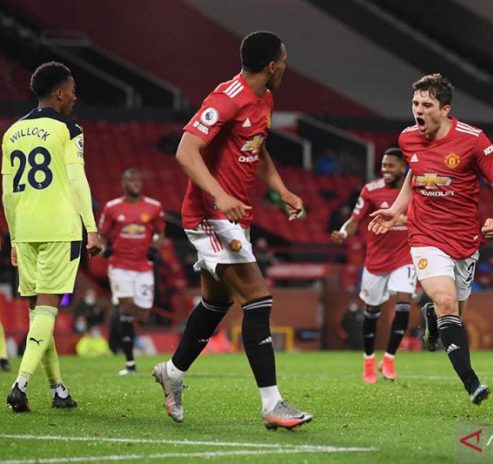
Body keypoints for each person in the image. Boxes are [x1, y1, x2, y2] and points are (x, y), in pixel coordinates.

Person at [151, 31, 312, 429]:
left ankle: (172, 373)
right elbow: (185, 151)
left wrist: (282, 190)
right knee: (258, 298)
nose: (286, 66)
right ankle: (273, 405)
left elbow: (257, 147)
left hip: (235, 215)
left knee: (216, 303)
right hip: (209, 214)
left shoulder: (265, 99)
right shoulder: (226, 97)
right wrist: (220, 195)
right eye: (285, 59)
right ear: (272, 64)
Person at [368, 74, 493, 405]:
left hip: (464, 239)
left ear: (445, 110)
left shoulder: (473, 140)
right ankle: (472, 382)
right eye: (415, 103)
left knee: (453, 312)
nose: (418, 110)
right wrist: (395, 209)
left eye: (427, 105)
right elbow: (413, 175)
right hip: (425, 234)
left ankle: (432, 322)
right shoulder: (407, 139)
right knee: (447, 301)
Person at [2, 61, 102, 412]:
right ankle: (21, 383)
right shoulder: (69, 129)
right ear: (59, 92)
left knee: (38, 315)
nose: (75, 96)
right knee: (46, 309)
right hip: (59, 228)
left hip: (26, 228)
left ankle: (58, 389)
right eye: (72, 89)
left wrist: (14, 239)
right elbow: (76, 180)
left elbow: (7, 193)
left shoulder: (11, 132)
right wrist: (91, 227)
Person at [331, 148, 416, 383]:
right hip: (377, 260)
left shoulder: (415, 191)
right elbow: (355, 220)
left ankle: (388, 359)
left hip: (405, 257)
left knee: (404, 302)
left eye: (391, 166)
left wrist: (402, 219)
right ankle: (369, 359)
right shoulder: (371, 190)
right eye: (384, 165)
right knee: (371, 310)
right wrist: (343, 232)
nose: (386, 170)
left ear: (403, 167)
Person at [99, 168, 165, 375]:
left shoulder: (153, 207)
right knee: (126, 306)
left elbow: (160, 231)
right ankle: (129, 363)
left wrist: (156, 248)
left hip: (144, 267)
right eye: (131, 180)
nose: (136, 183)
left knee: (142, 317)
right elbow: (102, 235)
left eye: (138, 180)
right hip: (119, 266)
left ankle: (128, 330)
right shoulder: (112, 207)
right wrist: (104, 248)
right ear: (123, 183)